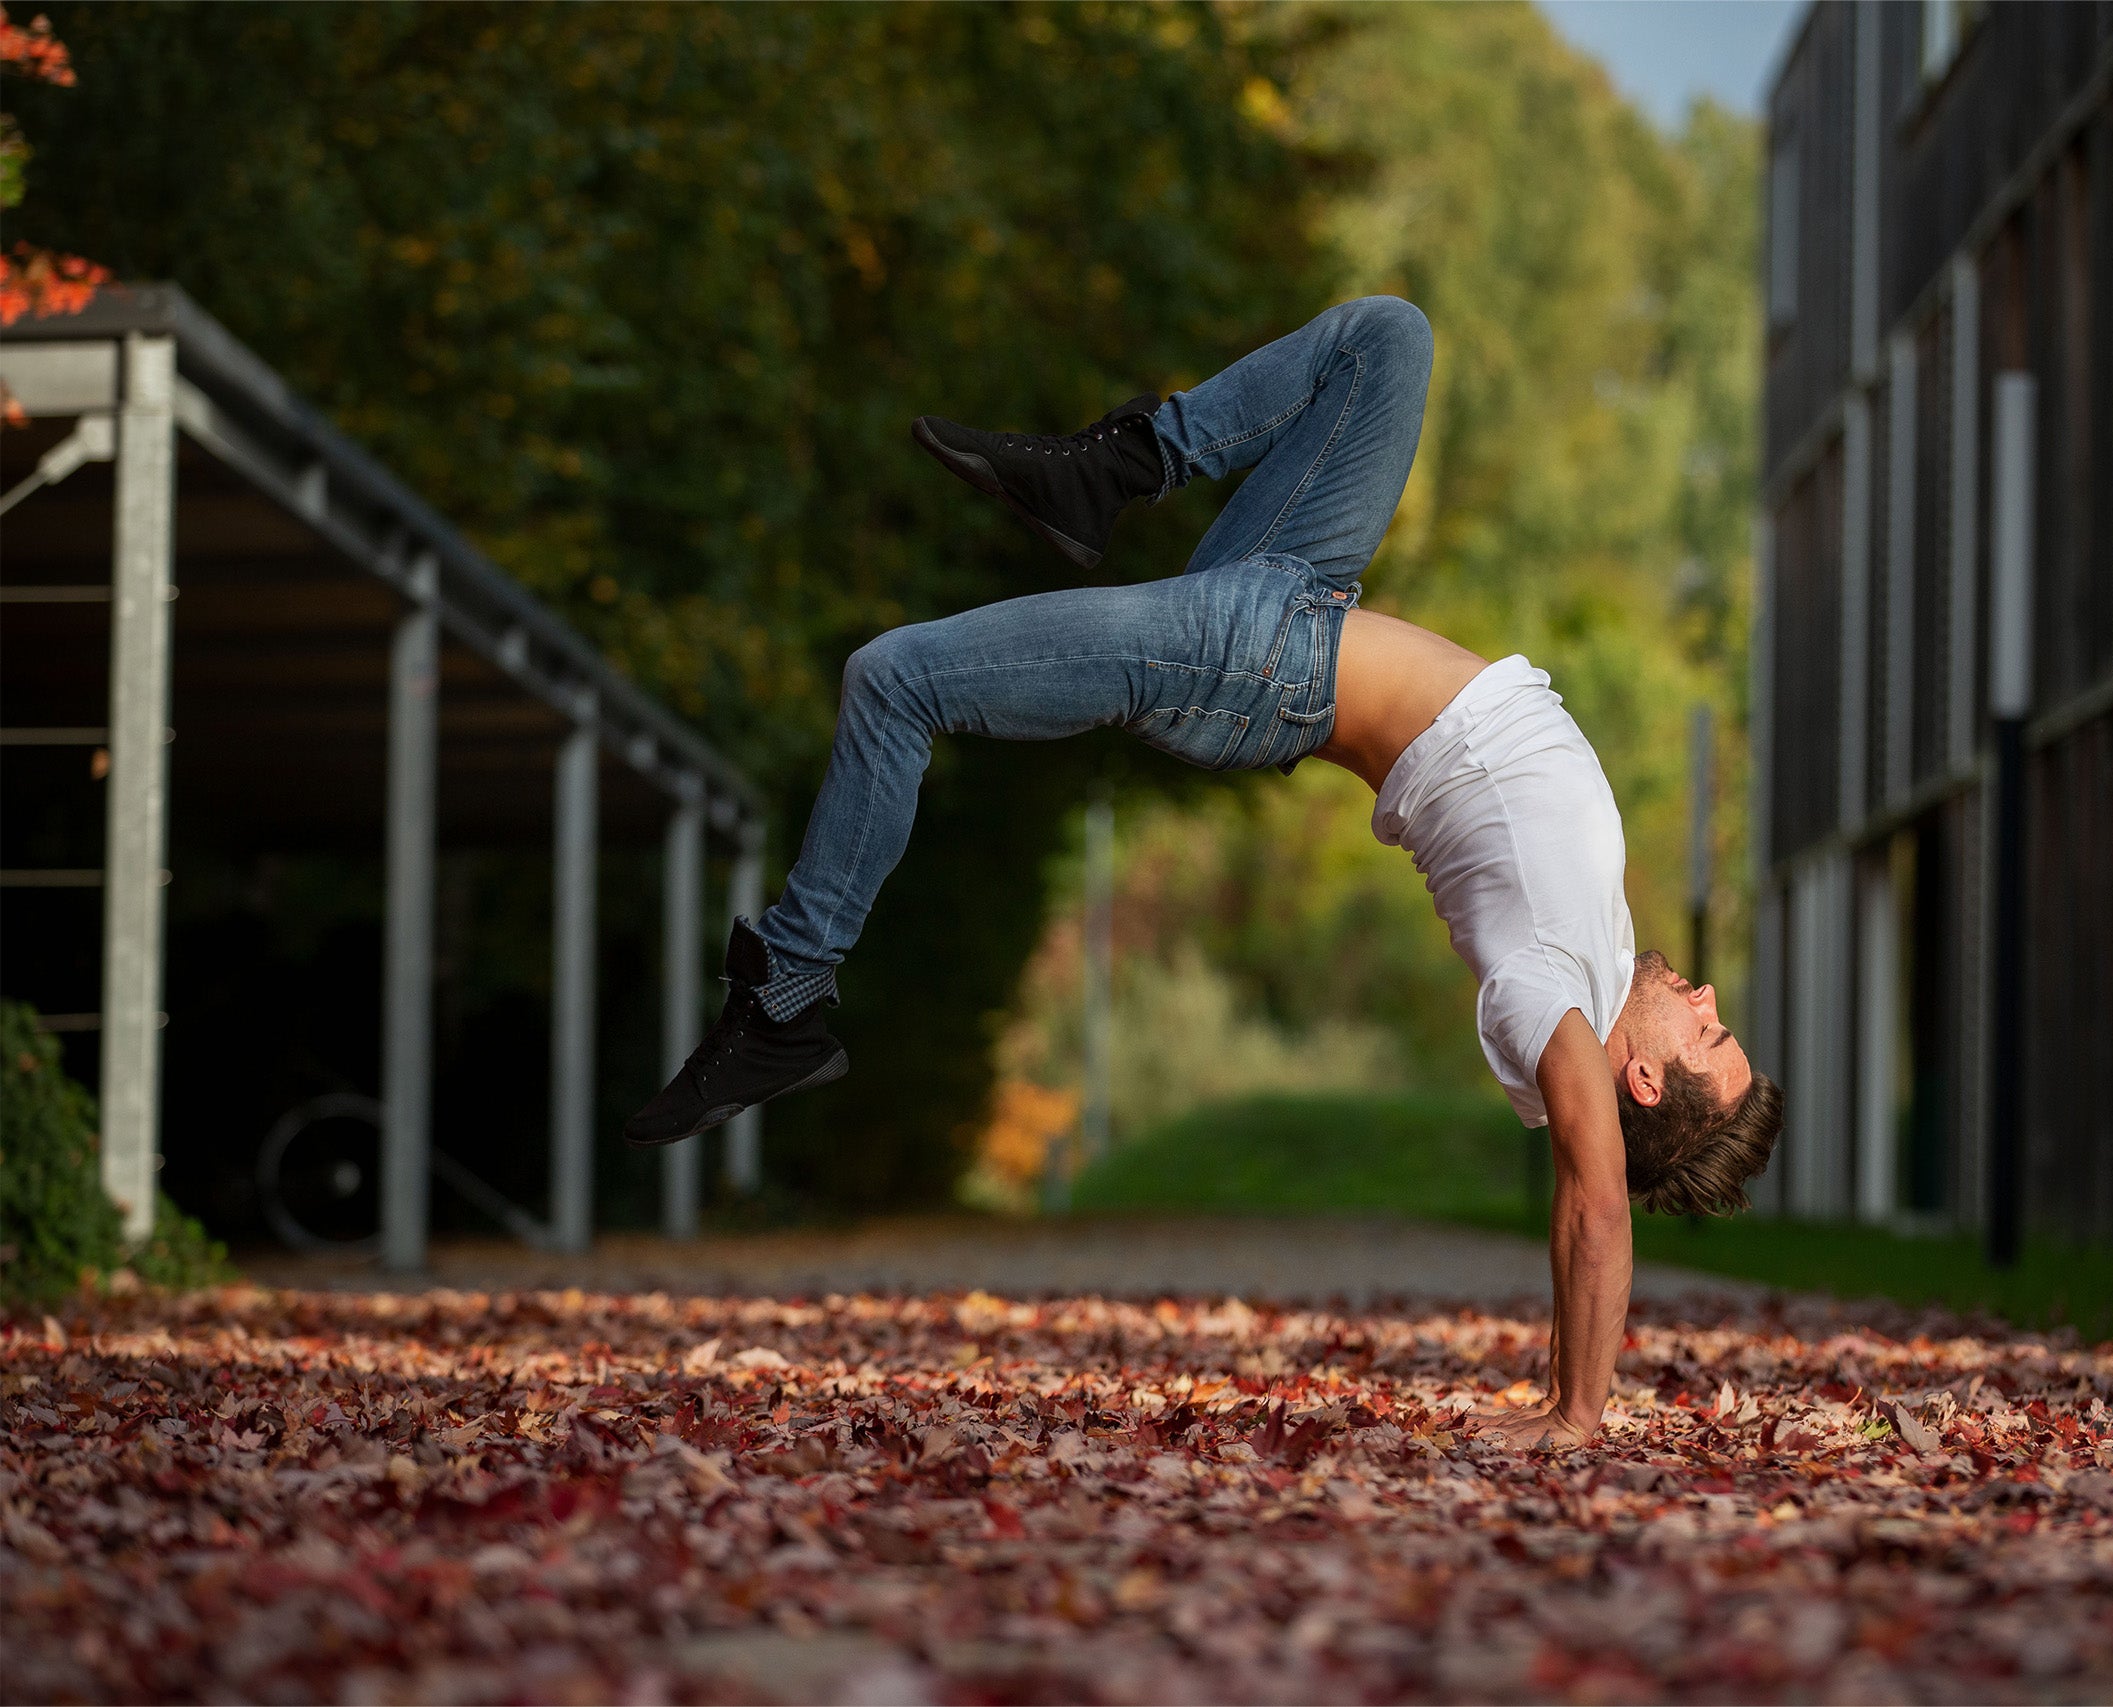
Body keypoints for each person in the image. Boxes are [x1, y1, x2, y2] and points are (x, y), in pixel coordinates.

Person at [625, 297, 1784, 1449]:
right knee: (1388, 338)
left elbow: (1593, 1198)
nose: (1710, 1004)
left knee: (892, 680)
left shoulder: (1547, 995)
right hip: (1295, 595)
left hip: (1249, 662)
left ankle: (783, 999)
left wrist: (1577, 1415)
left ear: (1640, 1083)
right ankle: (1114, 466)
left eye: (1711, 1040)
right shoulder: (1603, 952)